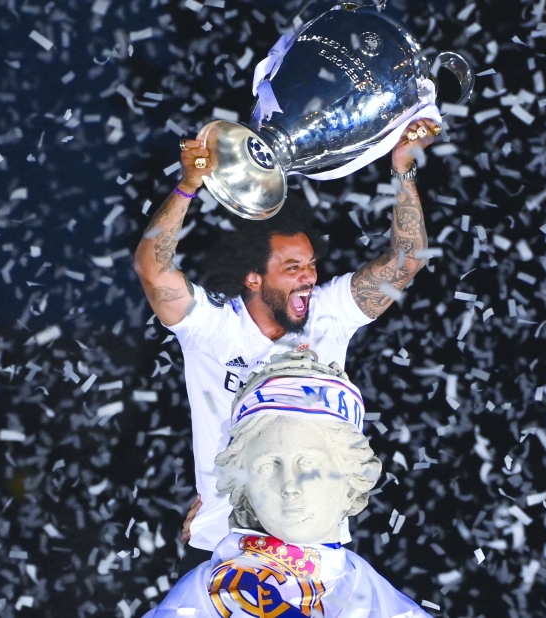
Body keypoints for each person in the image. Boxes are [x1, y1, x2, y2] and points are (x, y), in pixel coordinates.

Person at [133, 118, 440, 573]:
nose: (309, 277)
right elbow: (153, 269)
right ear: (254, 278)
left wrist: (403, 167)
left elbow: (406, 261)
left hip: (318, 553)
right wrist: (188, 185)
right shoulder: (213, 326)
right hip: (227, 550)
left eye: (311, 265)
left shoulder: (328, 313)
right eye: (293, 267)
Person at [143, 352, 430, 617]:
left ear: (352, 478)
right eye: (268, 466)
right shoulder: (194, 602)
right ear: (244, 486)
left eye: (309, 464)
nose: (289, 485)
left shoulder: (391, 609)